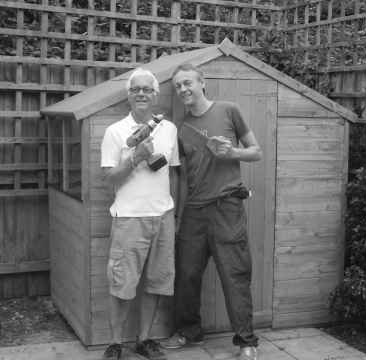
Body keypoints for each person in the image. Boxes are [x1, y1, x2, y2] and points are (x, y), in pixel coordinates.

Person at [161, 63, 263, 360]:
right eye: (178, 86)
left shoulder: (229, 110)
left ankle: (246, 341)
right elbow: (180, 177)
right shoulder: (181, 130)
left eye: (187, 83)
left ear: (202, 82)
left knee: (234, 274)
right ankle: (189, 332)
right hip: (194, 211)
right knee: (187, 275)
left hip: (226, 207)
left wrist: (232, 152)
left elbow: (255, 151)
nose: (183, 90)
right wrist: (177, 215)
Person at [100, 68, 180, 360]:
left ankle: (144, 339)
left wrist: (175, 211)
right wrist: (134, 157)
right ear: (129, 95)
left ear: (156, 95)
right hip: (129, 218)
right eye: (136, 89)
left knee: (156, 281)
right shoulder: (115, 132)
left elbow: (173, 174)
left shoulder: (169, 129)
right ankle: (115, 343)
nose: (142, 93)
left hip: (163, 217)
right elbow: (109, 179)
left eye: (147, 89)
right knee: (122, 284)